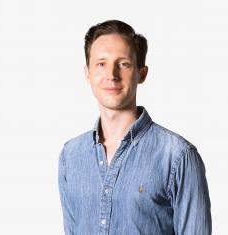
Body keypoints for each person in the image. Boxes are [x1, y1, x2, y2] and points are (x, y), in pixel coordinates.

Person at [58, 19, 212, 235]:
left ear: (142, 73)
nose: (111, 74)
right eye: (101, 63)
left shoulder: (177, 156)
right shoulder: (71, 156)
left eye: (123, 64)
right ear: (88, 73)